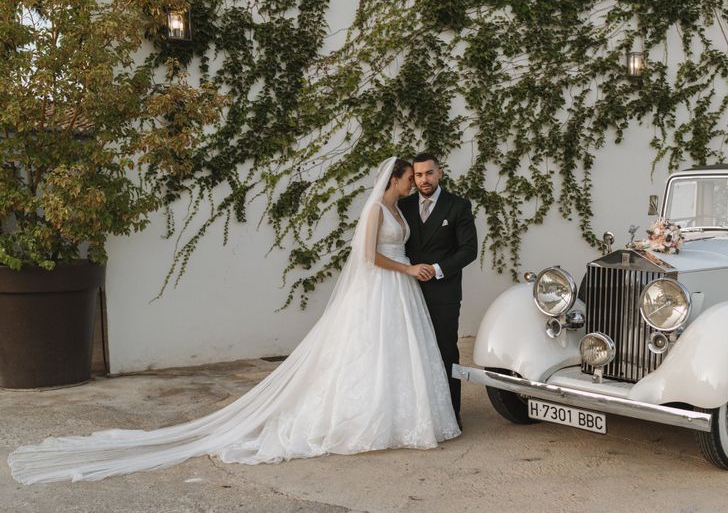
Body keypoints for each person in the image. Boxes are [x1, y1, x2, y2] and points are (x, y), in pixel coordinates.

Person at [8, 157, 460, 485]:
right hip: (383, 286)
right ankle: (364, 416)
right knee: (366, 351)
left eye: (419, 176)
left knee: (397, 353)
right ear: (398, 178)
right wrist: (406, 269)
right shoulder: (376, 211)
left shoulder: (399, 211)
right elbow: (367, 256)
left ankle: (401, 417)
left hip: (402, 291)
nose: (412, 182)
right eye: (409, 177)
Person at [398, 153, 478, 428]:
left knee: (445, 352)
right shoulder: (404, 205)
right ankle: (419, 415)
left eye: (429, 173)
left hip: (443, 293)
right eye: (418, 175)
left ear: (440, 173)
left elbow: (469, 250)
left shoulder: (458, 206)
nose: (424, 180)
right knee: (412, 352)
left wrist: (437, 268)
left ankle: (450, 415)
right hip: (407, 291)